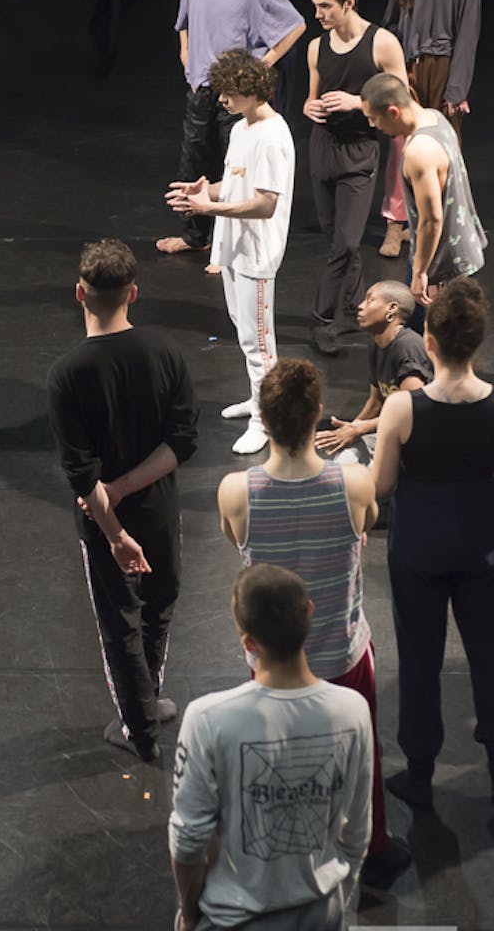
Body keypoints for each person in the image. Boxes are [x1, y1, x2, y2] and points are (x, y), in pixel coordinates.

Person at [218, 357, 411, 885]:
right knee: (360, 754)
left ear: (264, 418)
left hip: (272, 662)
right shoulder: (353, 482)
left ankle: (289, 855)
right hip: (342, 655)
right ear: (317, 414)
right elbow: (368, 522)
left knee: (279, 762)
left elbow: (235, 540)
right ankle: (372, 848)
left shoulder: (236, 491)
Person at [47, 239, 199, 762]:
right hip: (159, 507)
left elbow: (80, 471)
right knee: (157, 607)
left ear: (79, 293)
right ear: (133, 292)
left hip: (103, 520)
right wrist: (127, 488)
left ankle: (139, 725)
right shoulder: (165, 351)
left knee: (120, 622)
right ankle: (145, 705)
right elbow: (182, 441)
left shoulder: (68, 374)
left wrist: (114, 530)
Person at [169, 564, 373, 931]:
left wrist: (189, 912)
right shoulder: (353, 710)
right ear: (310, 611)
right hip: (321, 913)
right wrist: (337, 899)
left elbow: (188, 841)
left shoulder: (208, 718)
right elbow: (357, 830)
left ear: (248, 642)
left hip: (233, 918)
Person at [373, 276, 494, 809]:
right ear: (477, 341)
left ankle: (420, 772)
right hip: (482, 548)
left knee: (419, 660)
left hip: (418, 548)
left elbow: (381, 487)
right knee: (489, 658)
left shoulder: (403, 409)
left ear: (430, 341)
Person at [165, 50, 295, 455]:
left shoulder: (273, 136)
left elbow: (266, 204)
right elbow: (236, 184)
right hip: (234, 246)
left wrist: (209, 209)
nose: (221, 99)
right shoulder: (241, 129)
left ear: (253, 91)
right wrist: (203, 191)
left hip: (256, 252)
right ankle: (258, 400)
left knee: (260, 343)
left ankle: (266, 420)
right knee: (244, 332)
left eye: (229, 92)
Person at [156, 0, 304, 257]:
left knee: (236, 170)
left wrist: (263, 64)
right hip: (201, 86)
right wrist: (185, 52)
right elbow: (184, 21)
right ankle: (196, 236)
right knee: (195, 160)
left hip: (237, 93)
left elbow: (295, 25)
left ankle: (226, 247)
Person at [304, 0, 407, 356]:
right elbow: (311, 96)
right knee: (336, 239)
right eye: (315, 6)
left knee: (347, 242)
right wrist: (309, 106)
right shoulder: (316, 46)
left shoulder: (381, 43)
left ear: (348, 2)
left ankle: (322, 319)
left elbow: (402, 98)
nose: (318, 14)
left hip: (360, 150)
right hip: (323, 147)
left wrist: (358, 102)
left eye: (325, 6)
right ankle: (351, 310)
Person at [360, 72, 487, 333]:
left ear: (393, 112)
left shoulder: (420, 151)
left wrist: (420, 272)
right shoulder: (435, 117)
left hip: (441, 265)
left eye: (374, 118)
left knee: (428, 337)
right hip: (451, 251)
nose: (373, 125)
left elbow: (431, 220)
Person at [378, 0, 481, 257]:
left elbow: (468, 31)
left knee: (443, 147)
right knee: (400, 144)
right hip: (407, 64)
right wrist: (390, 66)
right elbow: (392, 21)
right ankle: (396, 223)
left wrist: (456, 88)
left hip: (443, 68)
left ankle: (440, 224)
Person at [315, 281, 431, 465]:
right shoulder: (376, 343)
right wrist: (350, 428)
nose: (360, 306)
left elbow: (410, 411)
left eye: (370, 300)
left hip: (416, 438)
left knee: (358, 472)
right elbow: (376, 402)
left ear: (391, 309)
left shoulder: (408, 347)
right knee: (343, 460)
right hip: (393, 429)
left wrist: (360, 429)